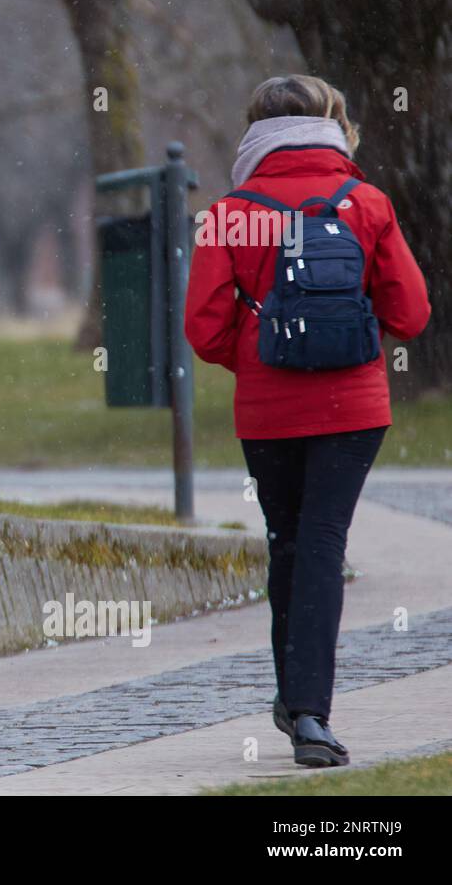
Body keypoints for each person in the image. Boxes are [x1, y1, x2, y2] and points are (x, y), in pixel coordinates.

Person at [184, 75, 430, 767]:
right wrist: (345, 336)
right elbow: (410, 312)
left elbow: (202, 327)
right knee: (322, 542)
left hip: (267, 410)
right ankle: (309, 712)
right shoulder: (367, 202)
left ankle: (298, 704)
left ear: (253, 130)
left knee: (287, 542)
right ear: (333, 124)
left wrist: (265, 351)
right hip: (355, 409)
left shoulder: (231, 212)